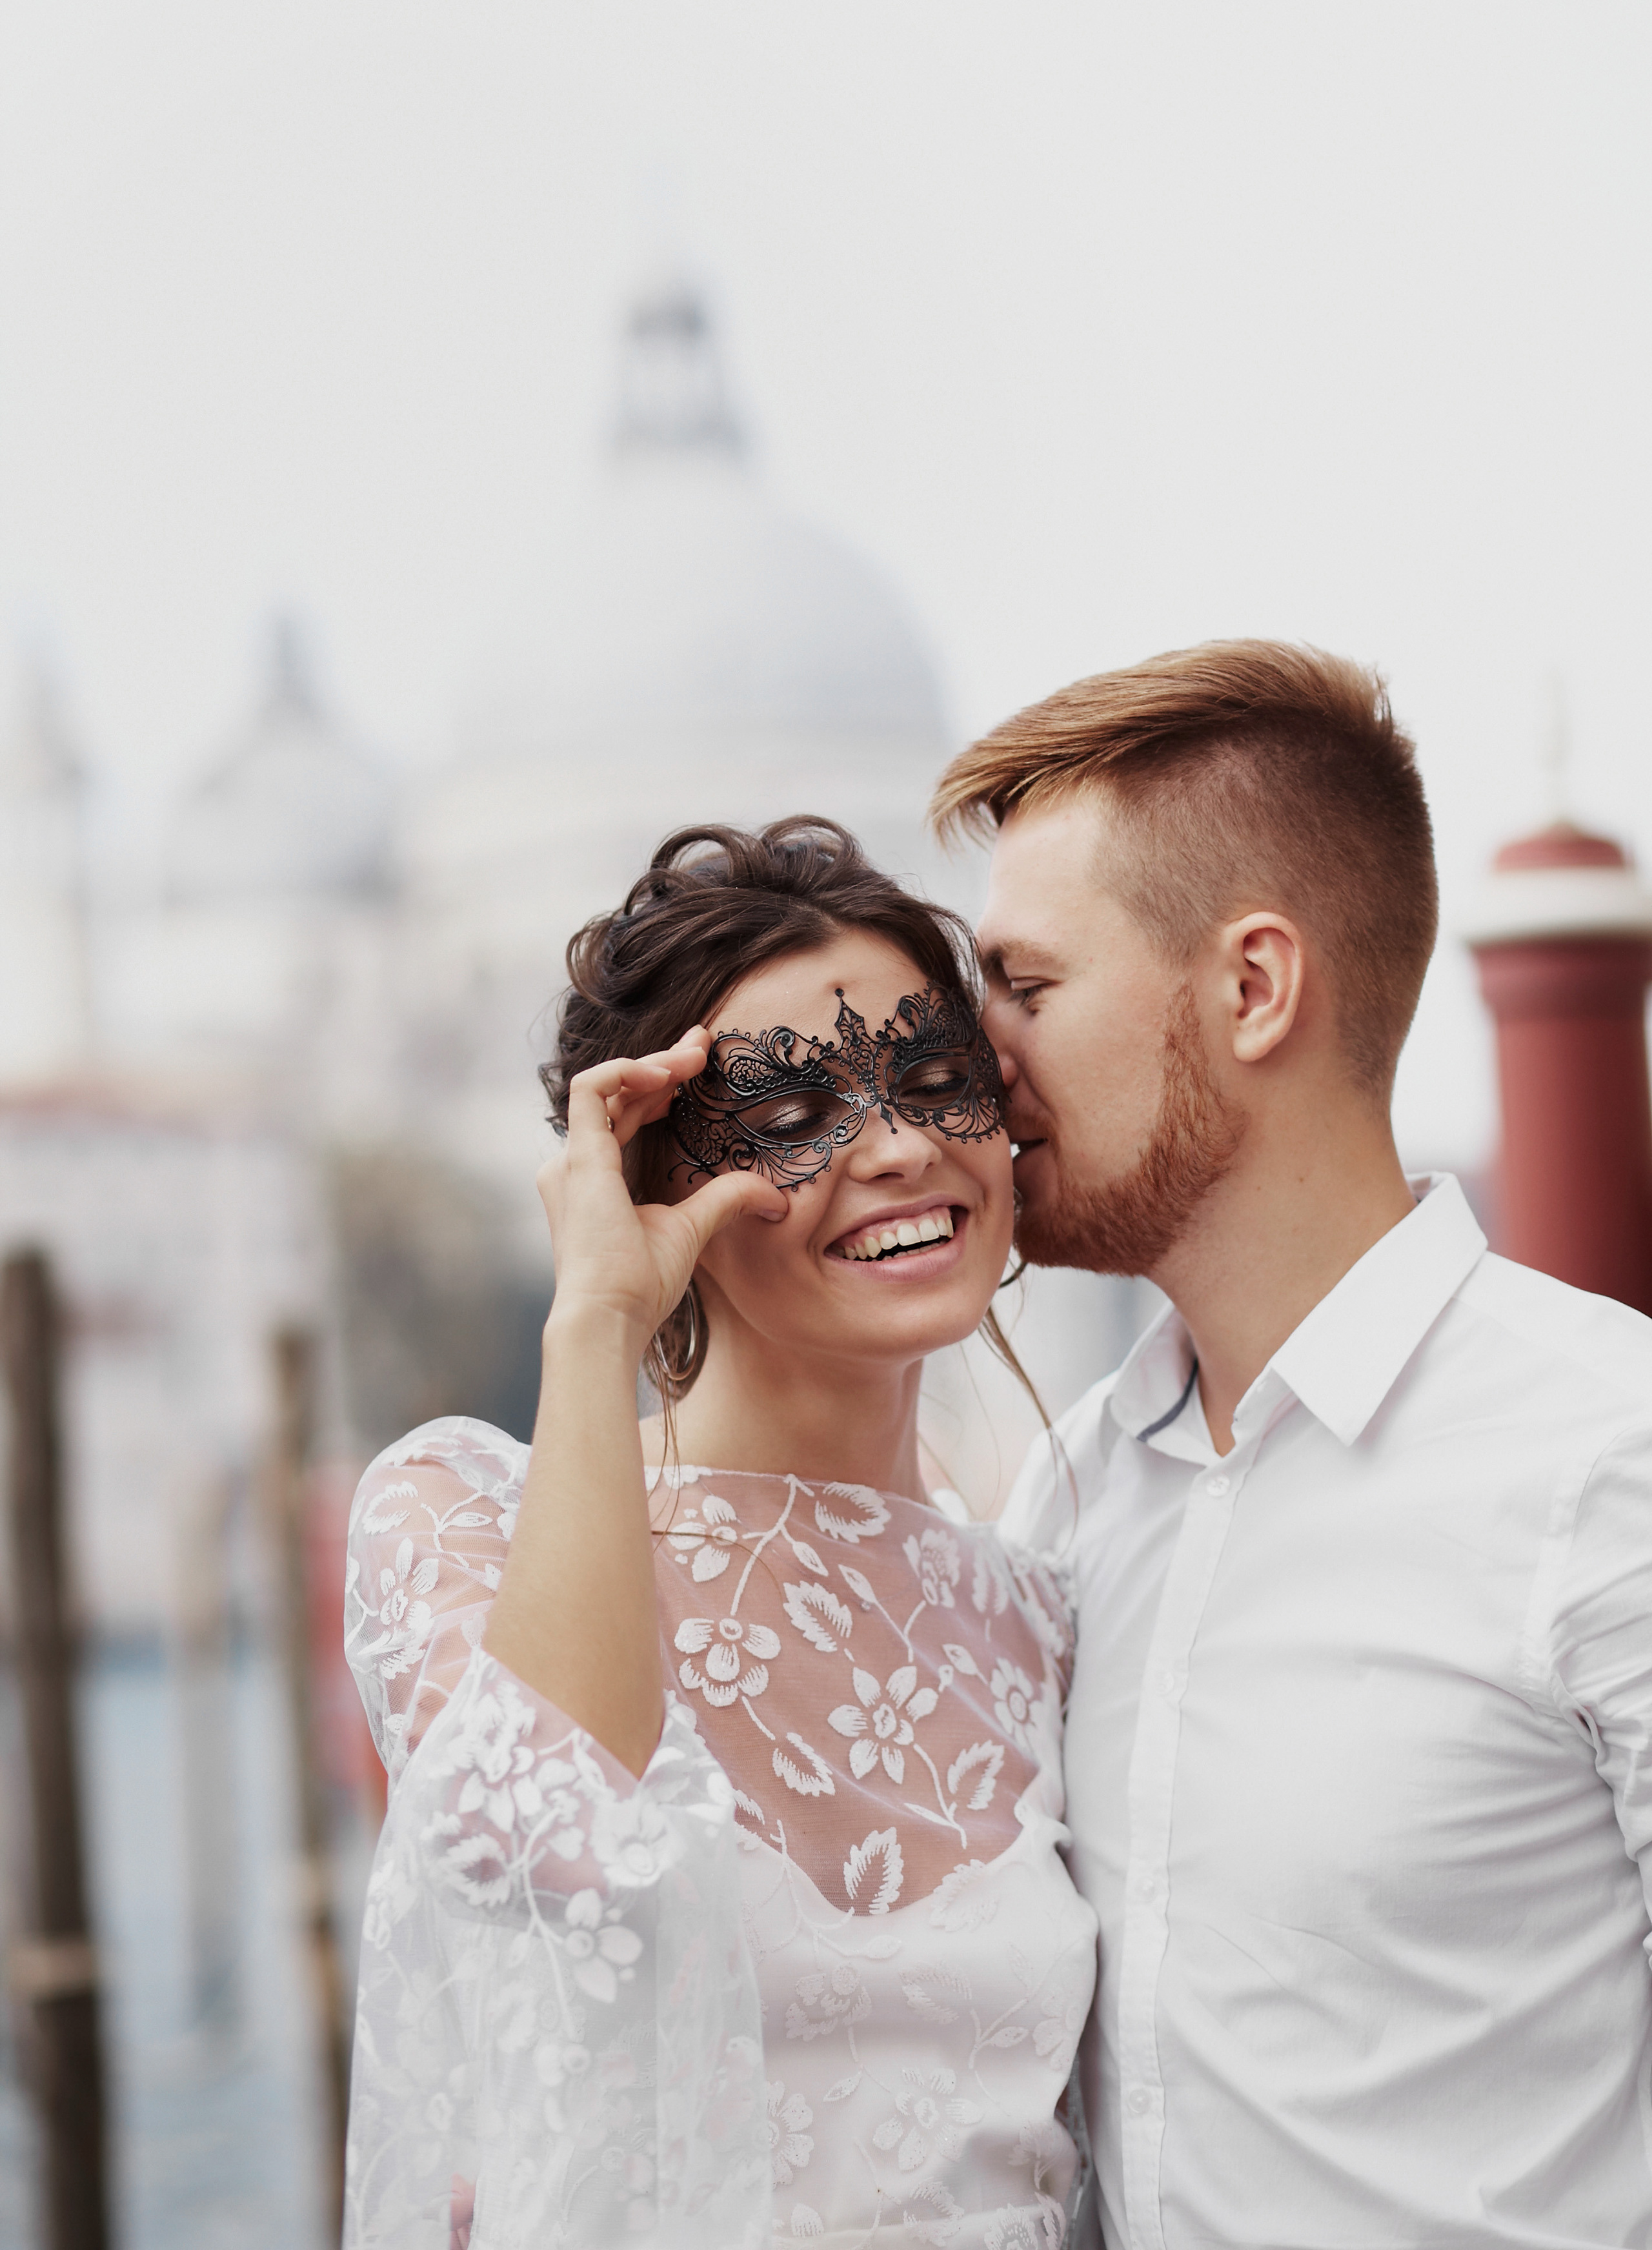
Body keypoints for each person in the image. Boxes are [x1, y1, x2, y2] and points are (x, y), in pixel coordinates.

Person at [931, 638, 1652, 2248]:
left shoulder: (1611, 1464)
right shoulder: (1065, 1500)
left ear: (1251, 989)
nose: (973, 1065)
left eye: (1028, 989)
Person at [341, 819, 1099, 2249]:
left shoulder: (1044, 1620)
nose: (892, 1149)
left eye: (935, 1081)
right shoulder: (456, 1522)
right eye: (794, 1115)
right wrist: (595, 1320)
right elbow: (559, 1855)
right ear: (653, 1187)